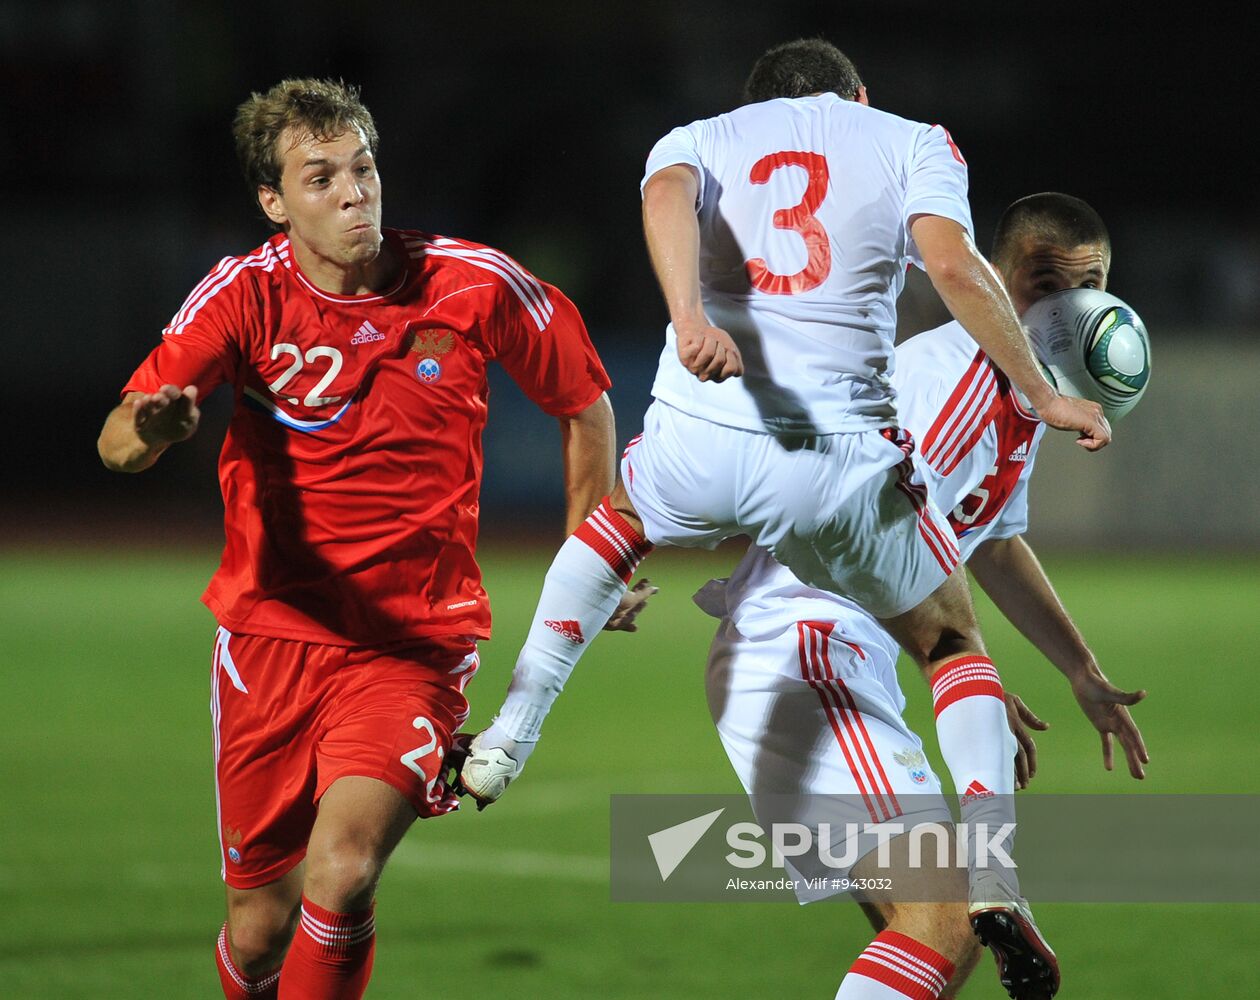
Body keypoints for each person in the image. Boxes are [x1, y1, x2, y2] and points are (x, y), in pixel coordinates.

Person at [459, 37, 1112, 996]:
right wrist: (1046, 393)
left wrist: (688, 316)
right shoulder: (913, 146)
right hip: (821, 529)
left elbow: (662, 198)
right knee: (952, 664)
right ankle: (996, 866)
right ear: (857, 95)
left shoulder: (697, 136)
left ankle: (509, 732)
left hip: (708, 426)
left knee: (615, 524)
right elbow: (951, 263)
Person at [96, 78, 631, 1000]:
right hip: (267, 642)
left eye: (364, 169)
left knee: (341, 873)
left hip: (411, 644)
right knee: (259, 931)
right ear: (274, 203)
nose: (354, 193)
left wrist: (589, 564)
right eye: (320, 178)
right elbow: (116, 442)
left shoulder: (474, 285)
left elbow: (585, 407)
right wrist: (154, 427)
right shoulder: (243, 294)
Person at [697, 191, 1150, 1000]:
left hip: (835, 654)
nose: (1068, 310)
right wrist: (960, 672)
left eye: (1090, 286)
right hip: (806, 649)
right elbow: (881, 542)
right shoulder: (951, 384)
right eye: (1044, 286)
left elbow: (994, 542)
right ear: (991, 279)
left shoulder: (1017, 392)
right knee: (945, 916)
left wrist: (1078, 669)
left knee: (940, 941)